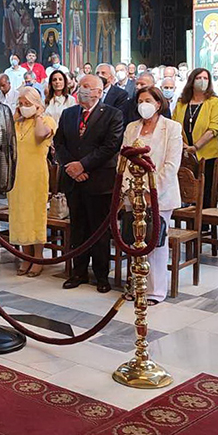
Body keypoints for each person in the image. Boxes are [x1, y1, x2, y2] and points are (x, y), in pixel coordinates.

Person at [54, 74, 124, 293]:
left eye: (86, 86)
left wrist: (83, 166)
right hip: (73, 181)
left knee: (99, 230)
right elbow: (59, 142)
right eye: (80, 85)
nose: (81, 89)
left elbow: (110, 146)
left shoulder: (112, 114)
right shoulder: (69, 113)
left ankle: (101, 275)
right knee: (78, 228)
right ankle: (79, 272)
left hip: (99, 180)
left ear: (98, 92)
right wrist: (71, 167)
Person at [121, 86, 182, 304]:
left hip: (160, 195)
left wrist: (150, 192)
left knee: (155, 241)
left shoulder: (171, 128)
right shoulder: (132, 127)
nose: (143, 105)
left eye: (148, 100)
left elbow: (171, 164)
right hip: (133, 193)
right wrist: (131, 190)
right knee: (134, 240)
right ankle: (135, 285)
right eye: (140, 101)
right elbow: (124, 159)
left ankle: (155, 291)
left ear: (158, 103)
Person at [7, 87, 57, 277]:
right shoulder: (17, 123)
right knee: (19, 214)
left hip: (36, 175)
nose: (23, 106)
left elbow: (39, 135)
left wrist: (37, 115)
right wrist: (16, 116)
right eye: (20, 103)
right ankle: (25, 256)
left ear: (36, 104)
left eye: (27, 103)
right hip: (17, 175)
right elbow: (6, 139)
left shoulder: (47, 121)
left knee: (35, 215)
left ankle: (38, 257)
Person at [173, 67, 218, 207]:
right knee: (186, 190)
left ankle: (205, 218)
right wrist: (184, 146)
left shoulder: (213, 101)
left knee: (206, 192)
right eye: (199, 78)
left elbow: (214, 127)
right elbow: (174, 126)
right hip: (185, 154)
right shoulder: (181, 102)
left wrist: (195, 147)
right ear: (192, 81)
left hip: (207, 154)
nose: (202, 81)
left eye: (205, 78)